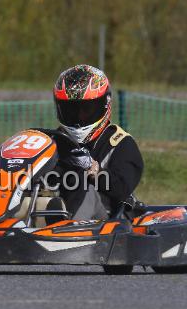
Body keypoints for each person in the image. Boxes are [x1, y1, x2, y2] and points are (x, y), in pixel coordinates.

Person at [48, 64, 144, 219]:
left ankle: (69, 234)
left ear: (104, 104)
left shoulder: (120, 144)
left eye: (86, 110)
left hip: (105, 225)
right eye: (71, 110)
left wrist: (96, 173)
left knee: (85, 189)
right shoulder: (54, 142)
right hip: (56, 215)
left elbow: (123, 188)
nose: (78, 118)